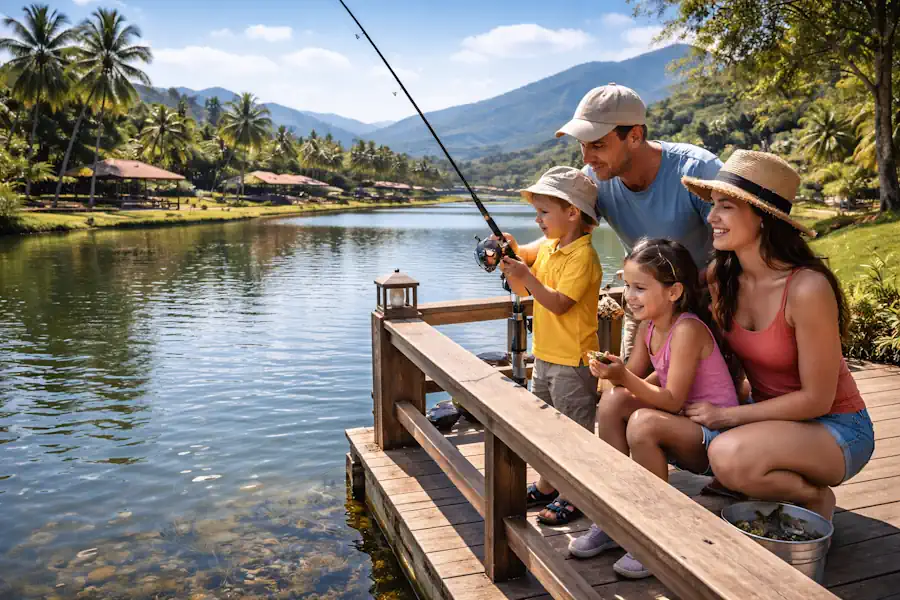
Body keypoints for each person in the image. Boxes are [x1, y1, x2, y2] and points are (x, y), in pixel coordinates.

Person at [680, 150, 874, 521]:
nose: (712, 217)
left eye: (726, 207)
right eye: (713, 205)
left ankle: (814, 499)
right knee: (667, 423)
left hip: (835, 427)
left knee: (727, 455)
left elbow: (818, 400)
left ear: (763, 218)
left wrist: (727, 416)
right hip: (768, 417)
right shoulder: (722, 277)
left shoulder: (806, 288)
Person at [566, 238, 739, 578]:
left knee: (643, 423)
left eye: (640, 288)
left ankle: (655, 536)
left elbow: (671, 398)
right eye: (627, 285)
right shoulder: (648, 328)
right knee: (613, 401)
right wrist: (611, 370)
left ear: (673, 292)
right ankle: (614, 518)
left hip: (715, 439)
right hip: (681, 424)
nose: (629, 296)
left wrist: (623, 378)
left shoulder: (687, 329)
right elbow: (629, 383)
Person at [514, 83, 723, 360]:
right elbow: (572, 231)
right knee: (626, 391)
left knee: (705, 396)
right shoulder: (594, 178)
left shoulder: (697, 170)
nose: (587, 158)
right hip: (644, 305)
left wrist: (689, 287)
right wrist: (519, 252)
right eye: (582, 146)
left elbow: (740, 246)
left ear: (635, 136)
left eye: (598, 145)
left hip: (711, 300)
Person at [498, 166, 603, 526]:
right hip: (544, 355)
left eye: (544, 212)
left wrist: (526, 277)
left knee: (574, 433)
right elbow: (524, 256)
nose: (538, 219)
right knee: (546, 428)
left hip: (573, 361)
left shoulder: (583, 257)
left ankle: (576, 495)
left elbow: (559, 303)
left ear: (572, 213)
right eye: (537, 212)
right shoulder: (549, 247)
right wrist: (509, 251)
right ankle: (546, 485)